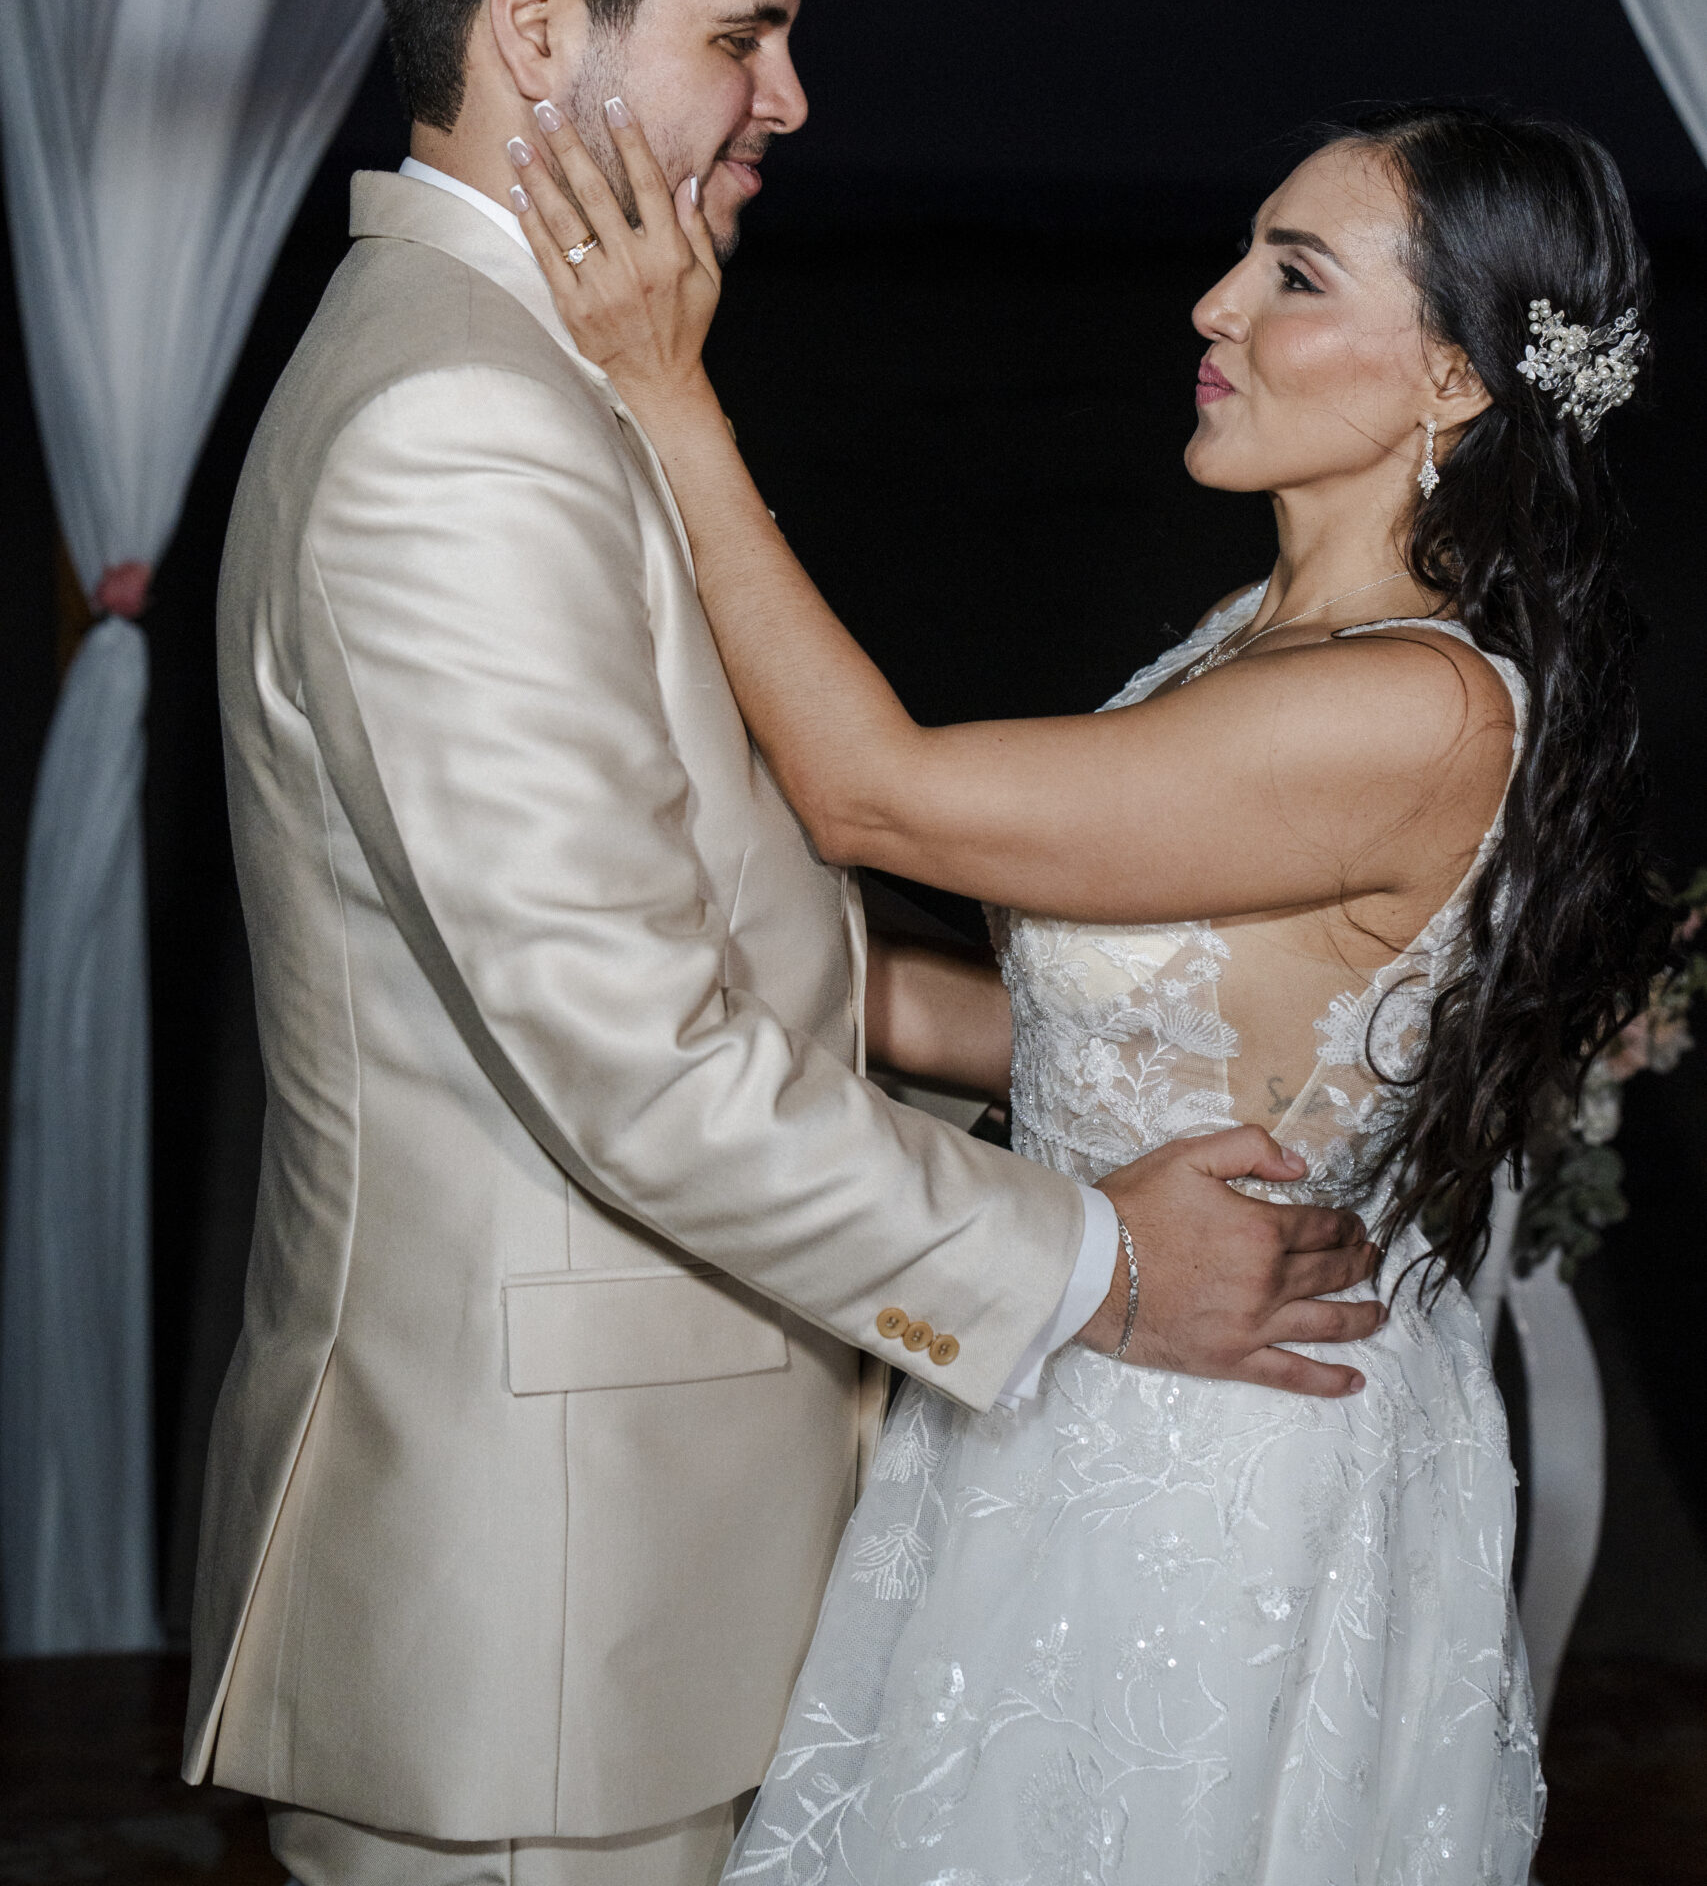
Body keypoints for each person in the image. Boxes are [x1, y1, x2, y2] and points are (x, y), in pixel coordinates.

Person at [183, 0, 1384, 1886]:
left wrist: (1063, 1067)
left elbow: (732, 923)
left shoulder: (525, 376)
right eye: (741, 36)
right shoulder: (455, 436)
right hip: (534, 1629)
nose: (793, 100)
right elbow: (636, 1061)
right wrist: (1104, 1266)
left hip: (627, 1589)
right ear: (535, 25)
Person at [507, 92, 1669, 1883]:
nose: (1214, 304)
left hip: (1211, 1460)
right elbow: (1087, 1039)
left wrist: (667, 388)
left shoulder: (1420, 707)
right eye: (1243, 254)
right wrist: (639, 959)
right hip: (1079, 1377)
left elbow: (871, 795)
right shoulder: (1251, 637)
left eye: (1294, 275)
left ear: (1452, 376)